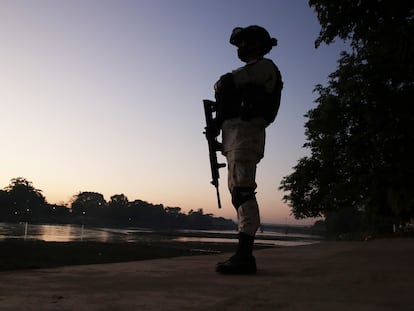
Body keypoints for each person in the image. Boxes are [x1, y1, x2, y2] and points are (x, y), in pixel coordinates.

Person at [213, 25, 283, 274]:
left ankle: (245, 256)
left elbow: (225, 83)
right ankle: (243, 254)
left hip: (245, 135)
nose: (241, 48)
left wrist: (222, 91)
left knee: (243, 192)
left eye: (246, 43)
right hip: (236, 137)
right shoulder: (256, 69)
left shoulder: (264, 67)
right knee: (237, 193)